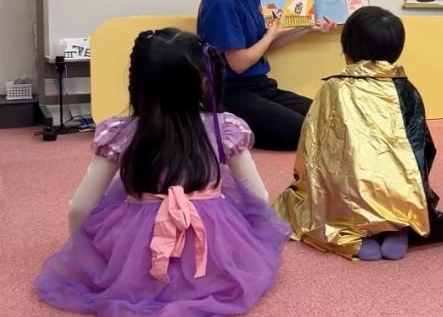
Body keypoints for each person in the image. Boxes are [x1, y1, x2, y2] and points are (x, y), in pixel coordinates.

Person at [33, 28, 290, 316]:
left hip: (137, 243)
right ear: (204, 81)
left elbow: (79, 207)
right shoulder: (225, 127)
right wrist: (246, 241)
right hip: (211, 242)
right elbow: (257, 196)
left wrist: (84, 254)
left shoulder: (120, 132)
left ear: (137, 83)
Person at [272, 6, 443, 260]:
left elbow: (314, 149)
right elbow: (422, 148)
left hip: (349, 196)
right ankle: (397, 225)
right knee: (396, 180)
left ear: (348, 49)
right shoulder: (406, 89)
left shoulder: (335, 88)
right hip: (399, 193)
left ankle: (355, 231)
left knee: (337, 176)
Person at [197, 0, 336, 151]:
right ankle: (226, 128)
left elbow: (263, 45)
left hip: (260, 86)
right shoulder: (221, 1)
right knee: (301, 131)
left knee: (322, 115)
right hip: (232, 92)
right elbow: (239, 63)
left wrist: (308, 28)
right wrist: (270, 36)